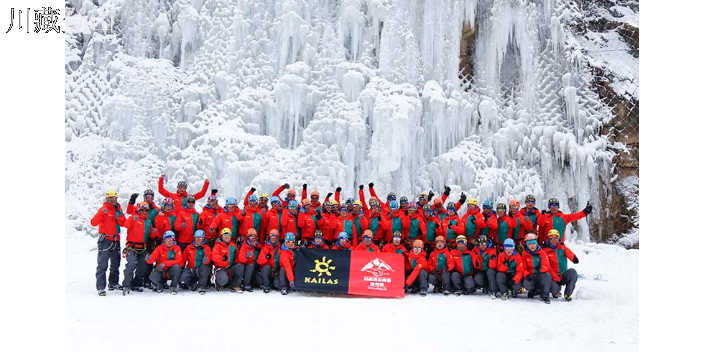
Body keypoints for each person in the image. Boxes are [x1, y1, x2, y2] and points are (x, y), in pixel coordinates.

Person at [91, 190, 126, 295]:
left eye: (114, 198)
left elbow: (123, 223)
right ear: (107, 199)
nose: (112, 200)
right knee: (102, 264)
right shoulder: (103, 210)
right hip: (105, 240)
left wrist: (118, 217)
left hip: (116, 239)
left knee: (116, 263)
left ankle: (113, 283)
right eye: (110, 198)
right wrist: (102, 214)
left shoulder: (119, 210)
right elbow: (93, 222)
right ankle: (101, 287)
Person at [122, 202, 157, 295]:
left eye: (146, 210)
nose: (144, 212)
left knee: (143, 266)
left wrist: (154, 232)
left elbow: (151, 235)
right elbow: (126, 225)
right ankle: (126, 284)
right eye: (142, 210)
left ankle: (136, 283)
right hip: (132, 246)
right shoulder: (133, 218)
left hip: (143, 247)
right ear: (138, 210)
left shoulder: (148, 222)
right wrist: (133, 218)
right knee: (131, 265)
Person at [521, 233, 560, 304]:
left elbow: (547, 266)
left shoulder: (542, 253)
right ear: (527, 245)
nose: (532, 246)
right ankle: (533, 290)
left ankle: (544, 296)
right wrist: (526, 274)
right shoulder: (524, 254)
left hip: (541, 276)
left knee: (552, 284)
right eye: (529, 244)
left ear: (536, 243)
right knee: (526, 283)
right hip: (531, 276)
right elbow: (523, 268)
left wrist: (541, 268)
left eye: (533, 243)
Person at [543, 229, 580, 302]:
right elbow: (546, 266)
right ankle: (556, 291)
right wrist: (556, 277)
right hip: (552, 276)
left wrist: (573, 258)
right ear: (548, 239)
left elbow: (569, 253)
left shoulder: (562, 247)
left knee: (573, 273)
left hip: (563, 274)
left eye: (556, 238)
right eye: (551, 238)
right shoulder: (545, 250)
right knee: (553, 288)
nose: (554, 240)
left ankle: (568, 294)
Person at [179, 230, 212, 294]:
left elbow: (208, 257)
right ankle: (192, 283)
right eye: (197, 237)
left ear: (203, 238)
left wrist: (206, 259)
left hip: (200, 270)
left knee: (206, 268)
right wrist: (179, 267)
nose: (198, 239)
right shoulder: (189, 247)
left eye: (200, 238)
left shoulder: (206, 248)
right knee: (183, 280)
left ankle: (201, 286)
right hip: (190, 269)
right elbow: (183, 259)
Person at [232, 228, 262, 293]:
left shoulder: (259, 247)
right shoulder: (244, 246)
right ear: (248, 238)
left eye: (255, 237)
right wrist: (247, 257)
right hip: (244, 268)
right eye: (251, 237)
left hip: (255, 269)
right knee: (248, 266)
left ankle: (250, 281)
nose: (253, 239)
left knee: (260, 281)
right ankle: (243, 284)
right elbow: (241, 259)